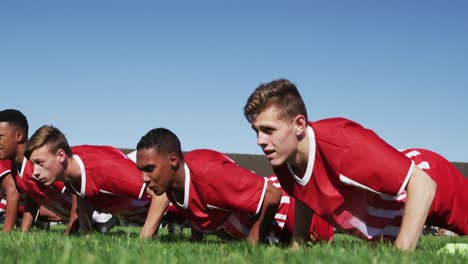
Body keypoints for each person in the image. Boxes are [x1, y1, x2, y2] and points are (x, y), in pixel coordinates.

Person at [243, 79, 468, 251]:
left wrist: (400, 256)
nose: (260, 141)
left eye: (268, 130)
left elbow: (423, 184)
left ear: (299, 124)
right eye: (257, 131)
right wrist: (297, 247)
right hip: (397, 203)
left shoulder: (343, 142)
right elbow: (304, 194)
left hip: (431, 180)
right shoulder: (283, 159)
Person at [135, 127, 334, 244]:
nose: (144, 178)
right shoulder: (171, 185)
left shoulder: (208, 172)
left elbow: (272, 195)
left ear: (173, 160)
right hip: (273, 225)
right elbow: (197, 209)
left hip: (296, 212)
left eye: (150, 168)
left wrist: (252, 245)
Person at [24, 125, 169, 237]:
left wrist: (144, 239)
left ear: (61, 155)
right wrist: (86, 235)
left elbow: (163, 195)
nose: (35, 172)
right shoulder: (70, 168)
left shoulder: (105, 171)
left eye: (40, 163)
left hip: (175, 207)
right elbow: (82, 194)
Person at [0, 109, 116, 234]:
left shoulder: (41, 162)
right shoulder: (15, 167)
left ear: (19, 136)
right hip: (81, 218)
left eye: (0, 136)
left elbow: (76, 192)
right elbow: (32, 197)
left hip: (100, 215)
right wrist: (23, 232)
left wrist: (70, 231)